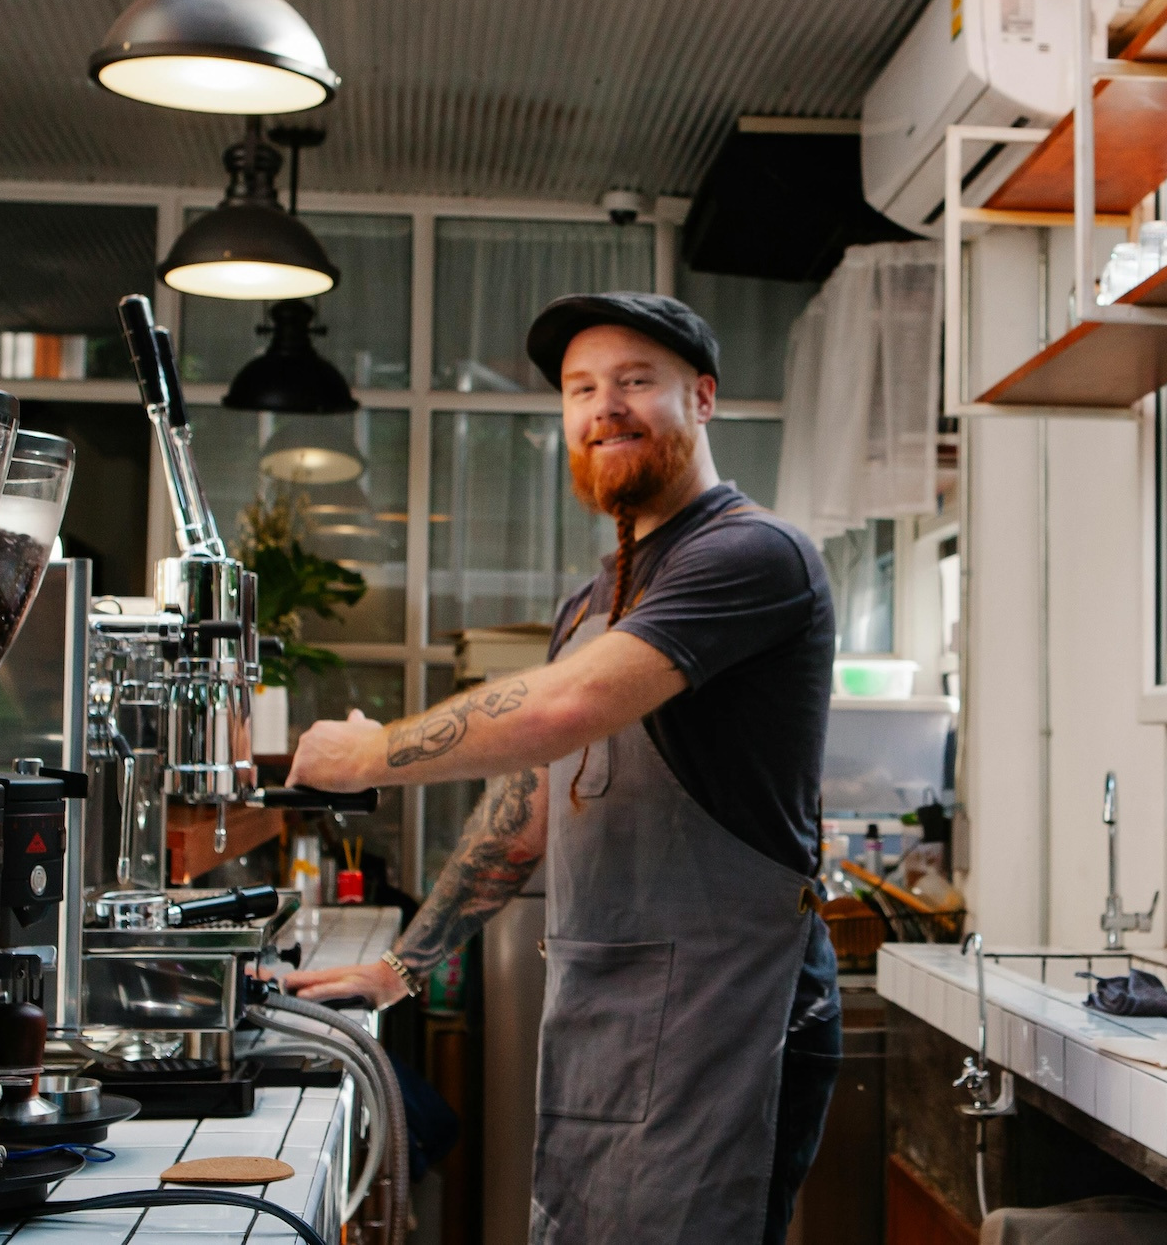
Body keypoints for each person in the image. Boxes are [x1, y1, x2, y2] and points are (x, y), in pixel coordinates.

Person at [281, 292, 841, 1245]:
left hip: (724, 1019)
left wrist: (373, 752)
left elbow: (559, 711)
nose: (603, 407)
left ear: (701, 399)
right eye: (582, 389)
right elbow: (530, 806)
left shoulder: (750, 554)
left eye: (634, 382)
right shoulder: (596, 599)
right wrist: (402, 966)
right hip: (607, 1013)